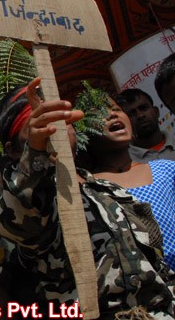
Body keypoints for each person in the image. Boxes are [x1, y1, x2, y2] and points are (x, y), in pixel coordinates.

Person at [0, 77, 175, 319]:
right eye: (39, 124)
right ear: (14, 150)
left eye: (59, 120)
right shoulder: (32, 198)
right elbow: (20, 219)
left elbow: (154, 259)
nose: (52, 129)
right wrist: (36, 154)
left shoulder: (106, 188)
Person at [81, 91, 175, 269]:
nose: (112, 114)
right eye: (98, 113)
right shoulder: (88, 189)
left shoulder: (167, 169)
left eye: (116, 109)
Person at [116, 88, 175, 162]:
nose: (140, 115)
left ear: (156, 112)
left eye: (144, 108)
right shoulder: (125, 163)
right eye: (131, 114)